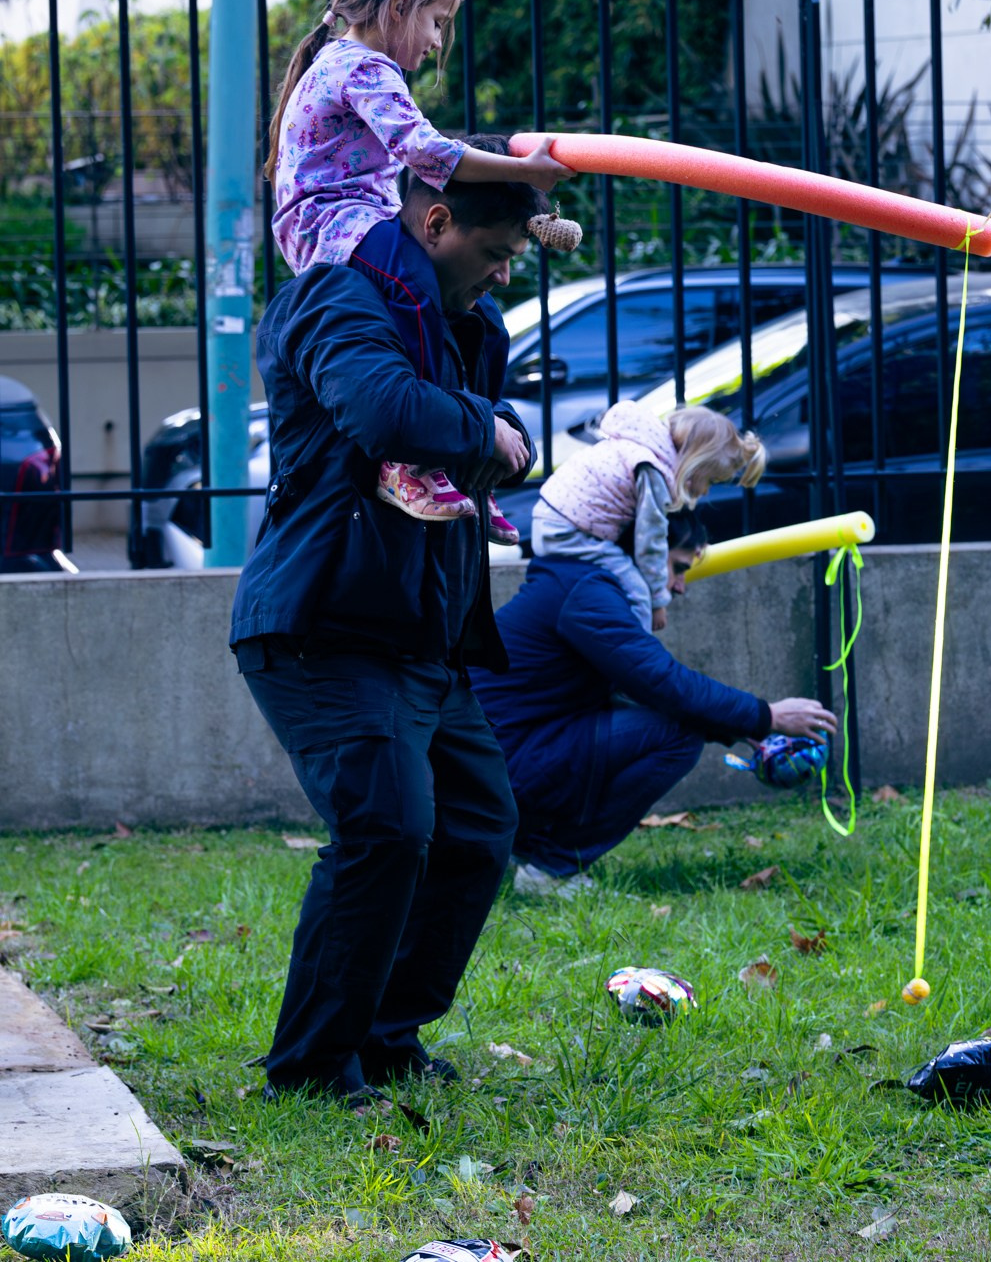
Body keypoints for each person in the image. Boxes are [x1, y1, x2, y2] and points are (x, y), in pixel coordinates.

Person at [229, 142, 550, 1107]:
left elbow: (480, 431)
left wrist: (499, 434)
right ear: (434, 220)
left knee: (476, 831)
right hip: (325, 625)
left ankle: (383, 1029)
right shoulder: (340, 297)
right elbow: (377, 408)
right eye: (494, 252)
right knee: (386, 829)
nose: (503, 275)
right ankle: (314, 1066)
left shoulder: (461, 322)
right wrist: (486, 429)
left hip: (421, 635)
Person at [265, 0, 568, 542]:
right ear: (398, 7)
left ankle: (466, 471)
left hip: (358, 217)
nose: (436, 42)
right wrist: (524, 171)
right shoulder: (362, 66)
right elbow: (429, 155)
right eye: (437, 21)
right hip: (333, 224)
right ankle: (413, 465)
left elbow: (425, 162)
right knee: (414, 292)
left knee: (483, 322)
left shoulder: (350, 65)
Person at [469, 509, 837, 895]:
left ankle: (530, 851)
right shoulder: (587, 593)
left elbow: (650, 689)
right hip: (502, 771)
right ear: (646, 550)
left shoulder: (580, 581)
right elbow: (664, 683)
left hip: (510, 758)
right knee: (676, 736)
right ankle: (551, 866)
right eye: (678, 568)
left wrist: (742, 730)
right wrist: (767, 716)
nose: (680, 587)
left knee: (661, 721)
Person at [531, 400, 764, 631]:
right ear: (696, 463)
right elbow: (650, 542)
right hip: (568, 533)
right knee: (637, 591)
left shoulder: (639, 445)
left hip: (551, 520)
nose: (705, 491)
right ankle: (638, 644)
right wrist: (657, 601)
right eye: (710, 480)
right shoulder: (653, 470)